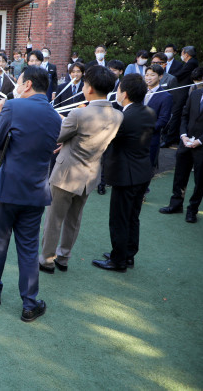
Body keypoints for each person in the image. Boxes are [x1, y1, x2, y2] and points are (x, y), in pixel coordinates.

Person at [0, 66, 62, 322]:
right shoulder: (56, 117)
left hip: (7, 188)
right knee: (28, 247)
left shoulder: (13, 106)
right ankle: (29, 302)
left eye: (20, 81)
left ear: (27, 85)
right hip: (35, 191)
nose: (17, 85)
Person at [39, 65, 123, 273]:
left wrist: (62, 121)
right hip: (90, 174)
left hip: (66, 174)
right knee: (74, 220)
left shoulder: (79, 114)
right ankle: (64, 257)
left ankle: (47, 259)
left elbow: (57, 136)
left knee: (54, 220)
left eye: (85, 84)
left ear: (90, 88)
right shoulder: (118, 115)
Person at [92, 74, 156, 271]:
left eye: (118, 89)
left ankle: (118, 259)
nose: (116, 93)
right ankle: (127, 254)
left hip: (126, 175)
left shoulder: (124, 117)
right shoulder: (148, 112)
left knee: (119, 218)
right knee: (132, 216)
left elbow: (103, 139)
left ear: (125, 93)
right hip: (143, 172)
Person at [158, 84, 203, 223]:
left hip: (202, 147)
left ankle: (192, 210)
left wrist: (200, 141)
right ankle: (175, 204)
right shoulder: (195, 94)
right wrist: (183, 135)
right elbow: (184, 115)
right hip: (185, 143)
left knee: (200, 180)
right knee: (179, 175)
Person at [163, 46, 199, 147]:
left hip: (183, 91)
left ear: (186, 54)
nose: (181, 56)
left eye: (182, 53)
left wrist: (169, 78)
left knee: (176, 113)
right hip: (181, 90)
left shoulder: (192, 62)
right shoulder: (190, 62)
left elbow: (180, 74)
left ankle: (170, 138)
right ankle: (172, 136)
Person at [144, 65, 172, 172]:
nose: (148, 78)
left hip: (151, 137)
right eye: (146, 75)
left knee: (148, 168)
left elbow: (164, 119)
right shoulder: (140, 92)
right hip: (135, 137)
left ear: (160, 77)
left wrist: (148, 129)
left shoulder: (165, 96)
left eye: (152, 75)